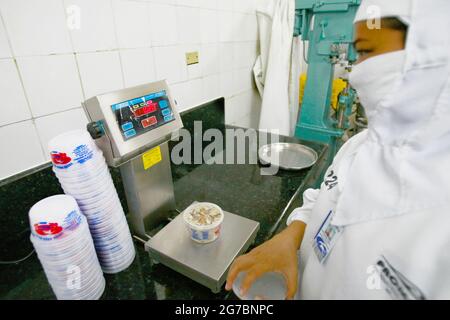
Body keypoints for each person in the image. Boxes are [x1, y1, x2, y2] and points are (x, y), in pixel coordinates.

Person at [226, 0, 450, 300]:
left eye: (368, 52)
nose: (356, 74)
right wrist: (290, 237)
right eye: (357, 56)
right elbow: (323, 199)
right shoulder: (359, 146)